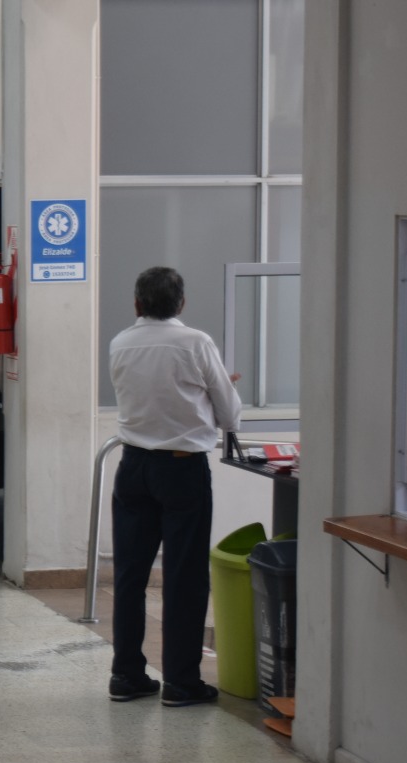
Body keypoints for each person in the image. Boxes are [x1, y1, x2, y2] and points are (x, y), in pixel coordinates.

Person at [107, 266, 242, 708]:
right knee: (184, 576)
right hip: (182, 470)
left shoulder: (121, 342)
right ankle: (181, 683)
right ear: (181, 303)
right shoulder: (197, 343)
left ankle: (126, 675)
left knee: (130, 575)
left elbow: (150, 394)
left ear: (137, 303)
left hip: (133, 467)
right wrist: (216, 392)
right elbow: (229, 416)